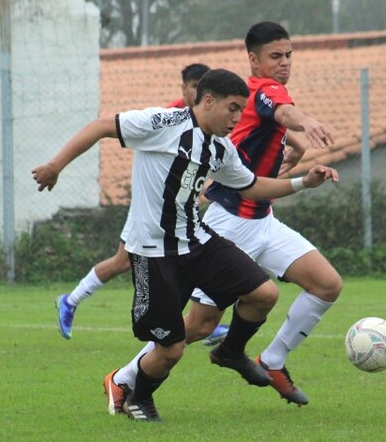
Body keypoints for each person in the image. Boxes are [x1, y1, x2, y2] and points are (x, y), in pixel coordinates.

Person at [32, 68, 339, 422]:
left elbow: (252, 185)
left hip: (196, 242)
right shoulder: (162, 122)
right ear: (208, 101)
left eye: (242, 111)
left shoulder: (221, 147)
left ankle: (231, 351)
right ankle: (136, 396)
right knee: (172, 348)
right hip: (153, 254)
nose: (237, 118)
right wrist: (56, 166)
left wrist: (303, 182)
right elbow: (102, 126)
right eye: (233, 108)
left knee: (264, 294)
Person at [104, 21, 342, 411]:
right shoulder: (265, 92)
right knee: (197, 326)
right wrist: (306, 124)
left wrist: (296, 149)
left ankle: (269, 359)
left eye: (289, 56)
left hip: (261, 218)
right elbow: (282, 111)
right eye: (275, 56)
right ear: (254, 60)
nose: (284, 63)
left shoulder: (250, 101)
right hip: (228, 221)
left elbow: (273, 125)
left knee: (326, 285)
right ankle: (125, 379)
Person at [54, 63, 214, 341]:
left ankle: (71, 300)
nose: (200, 94)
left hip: (173, 211)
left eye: (205, 88)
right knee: (133, 260)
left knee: (126, 261)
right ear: (184, 89)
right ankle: (196, 321)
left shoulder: (211, 120)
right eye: (195, 87)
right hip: (152, 209)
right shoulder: (169, 117)